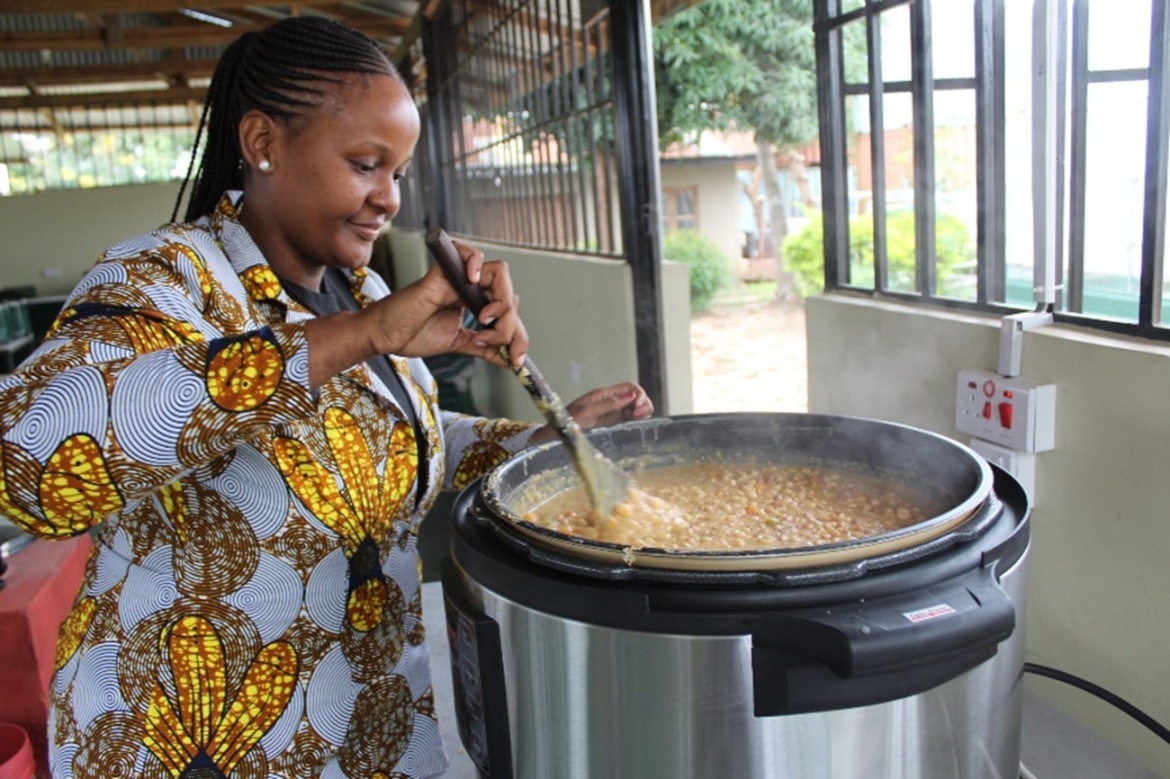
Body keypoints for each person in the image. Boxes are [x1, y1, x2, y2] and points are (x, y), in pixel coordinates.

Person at [0, 16, 651, 779]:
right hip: (203, 744)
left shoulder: (359, 286)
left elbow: (384, 442)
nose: (389, 199)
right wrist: (362, 333)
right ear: (263, 142)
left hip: (367, 729)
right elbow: (27, 462)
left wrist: (539, 445)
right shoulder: (163, 278)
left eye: (399, 172)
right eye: (366, 163)